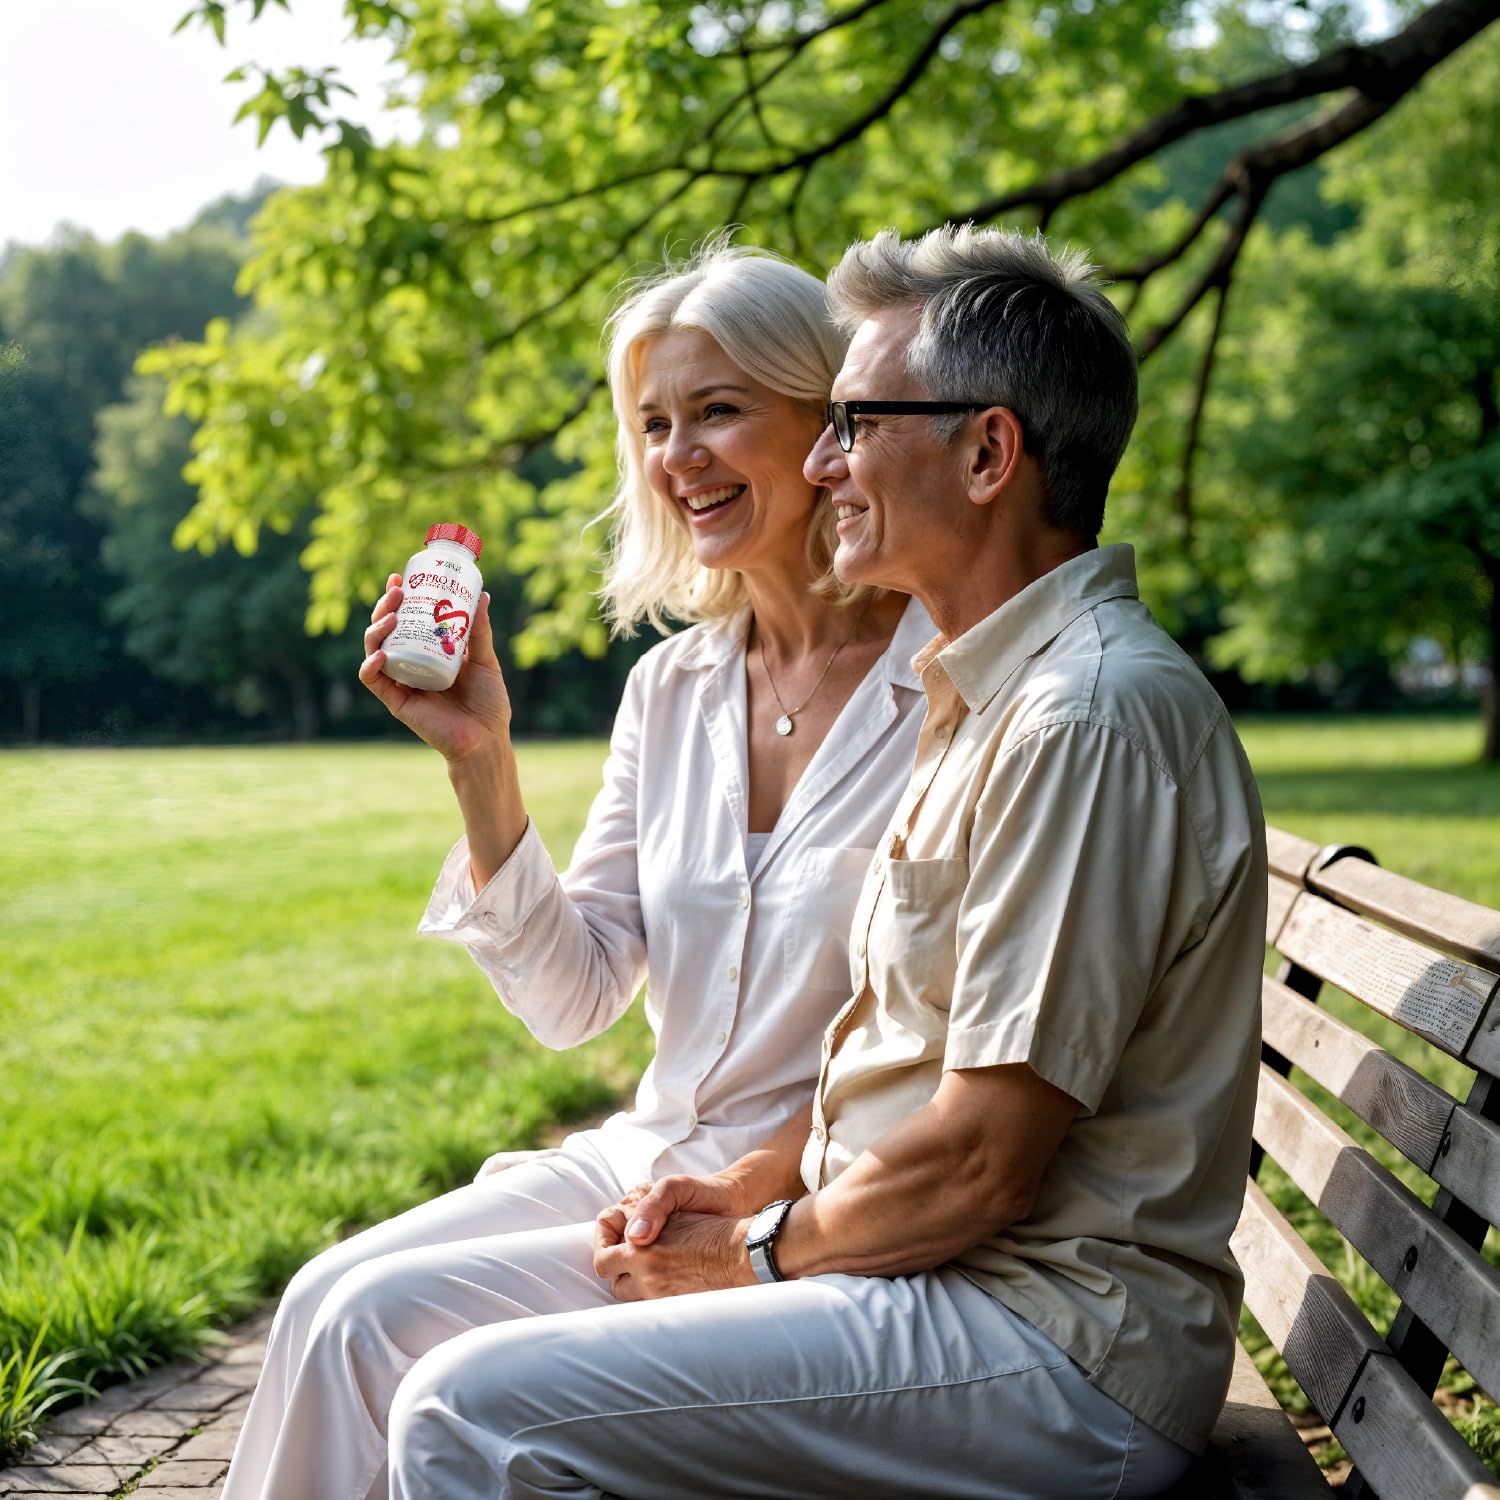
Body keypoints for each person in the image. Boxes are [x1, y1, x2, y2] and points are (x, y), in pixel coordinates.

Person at [372, 224, 1269, 1500]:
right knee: (390, 1333)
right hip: (935, 1274)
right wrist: (749, 1189)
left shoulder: (1079, 718)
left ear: (987, 453)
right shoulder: (992, 695)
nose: (826, 460)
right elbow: (904, 1064)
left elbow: (980, 1164)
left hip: (1049, 1340)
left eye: (853, 423)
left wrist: (749, 1251)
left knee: (469, 1411)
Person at [217, 243, 934, 1500]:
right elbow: (573, 999)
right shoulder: (671, 690)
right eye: (654, 424)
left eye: (719, 410)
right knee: (323, 1298)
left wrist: (748, 1194)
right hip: (643, 1153)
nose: (678, 457)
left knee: (378, 1329)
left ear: (826, 419)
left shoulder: (944, 679)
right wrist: (480, 760)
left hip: (796, 1194)